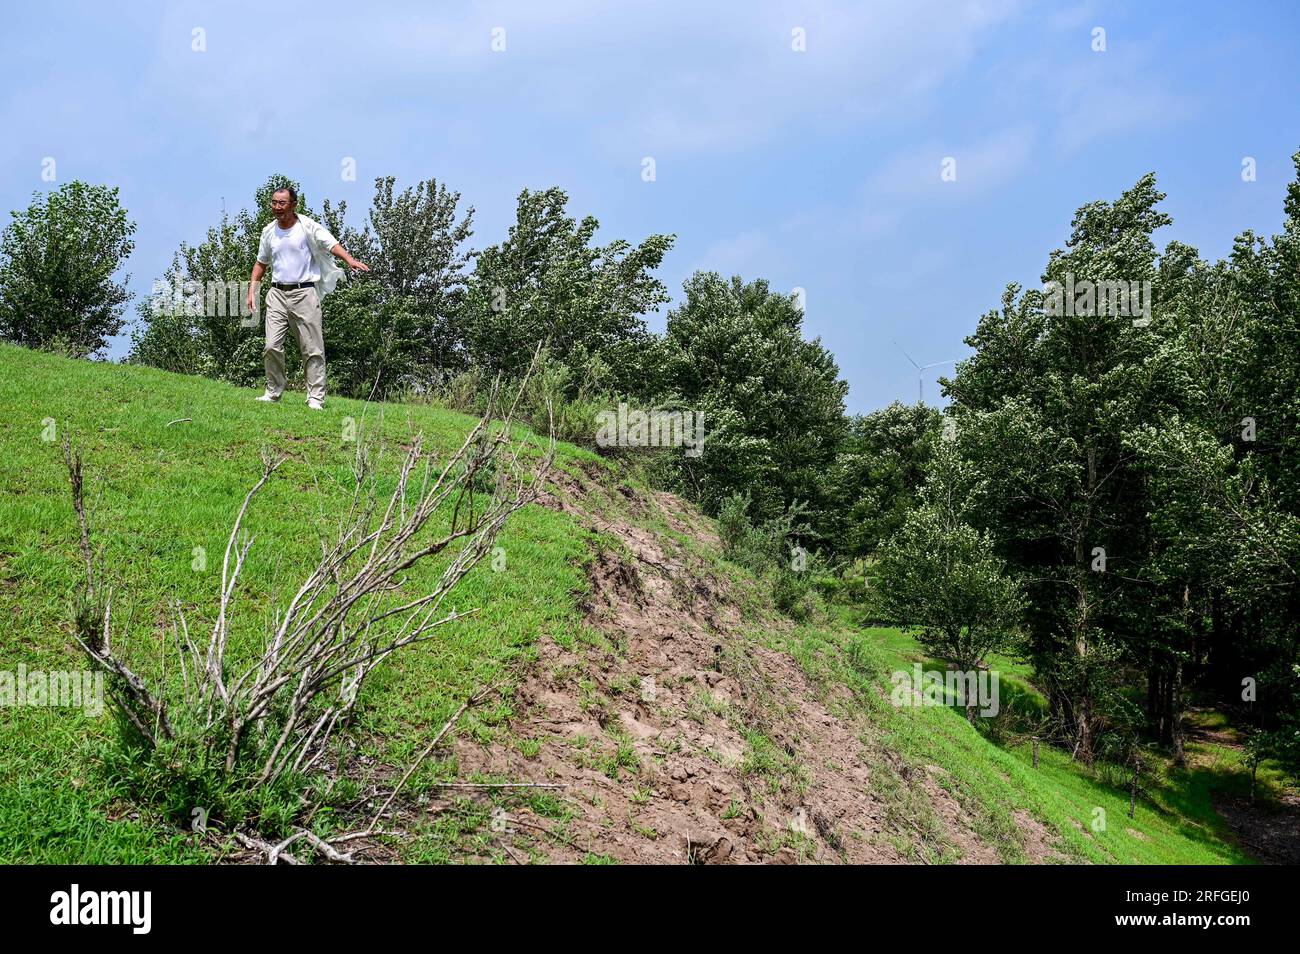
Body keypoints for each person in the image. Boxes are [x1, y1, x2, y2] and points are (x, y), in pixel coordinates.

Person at [245, 185, 369, 409]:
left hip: (305, 294)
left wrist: (349, 260)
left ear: (293, 205)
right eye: (274, 203)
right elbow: (260, 264)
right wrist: (251, 291)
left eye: (282, 203)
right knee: (271, 345)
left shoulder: (307, 226)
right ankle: (273, 391)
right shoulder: (269, 232)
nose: (277, 207)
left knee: (312, 348)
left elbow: (330, 244)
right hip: (277, 294)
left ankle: (315, 398)